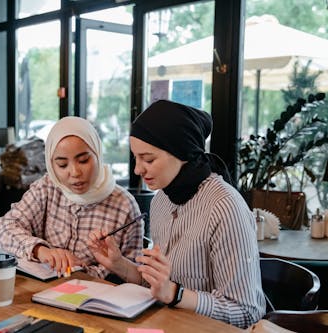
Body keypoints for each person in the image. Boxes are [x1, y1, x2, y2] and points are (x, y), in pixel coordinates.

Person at [88, 100, 266, 328]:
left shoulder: (225, 206)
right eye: (136, 158)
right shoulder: (161, 200)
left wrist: (175, 293)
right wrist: (118, 264)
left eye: (148, 159)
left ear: (182, 152)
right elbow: (158, 286)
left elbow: (246, 312)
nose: (137, 169)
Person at [0, 116, 143, 278]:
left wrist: (82, 270)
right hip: (46, 290)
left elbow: (135, 276)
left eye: (83, 161)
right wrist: (41, 250)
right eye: (62, 165)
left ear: (98, 154)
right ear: (51, 165)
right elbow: (3, 228)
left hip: (98, 294)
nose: (75, 173)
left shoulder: (124, 205)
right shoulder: (47, 188)